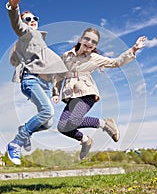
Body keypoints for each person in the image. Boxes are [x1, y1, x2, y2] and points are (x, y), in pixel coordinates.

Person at [52, 28, 146, 160]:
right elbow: (58, 75)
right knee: (62, 127)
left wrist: (134, 49)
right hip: (71, 95)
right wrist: (55, 91)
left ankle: (105, 124)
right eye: (87, 39)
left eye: (94, 42)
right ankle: (85, 140)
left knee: (73, 121)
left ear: (95, 46)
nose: (90, 42)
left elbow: (116, 62)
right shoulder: (66, 56)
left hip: (86, 92)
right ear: (81, 39)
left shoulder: (94, 58)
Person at [6, 0, 68, 165]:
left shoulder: (38, 40)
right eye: (28, 19)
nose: (32, 21)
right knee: (47, 112)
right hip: (31, 80)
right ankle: (16, 142)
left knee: (47, 122)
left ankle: (24, 130)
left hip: (44, 84)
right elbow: (17, 26)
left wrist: (55, 91)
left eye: (35, 18)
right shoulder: (26, 34)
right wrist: (13, 8)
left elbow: (53, 69)